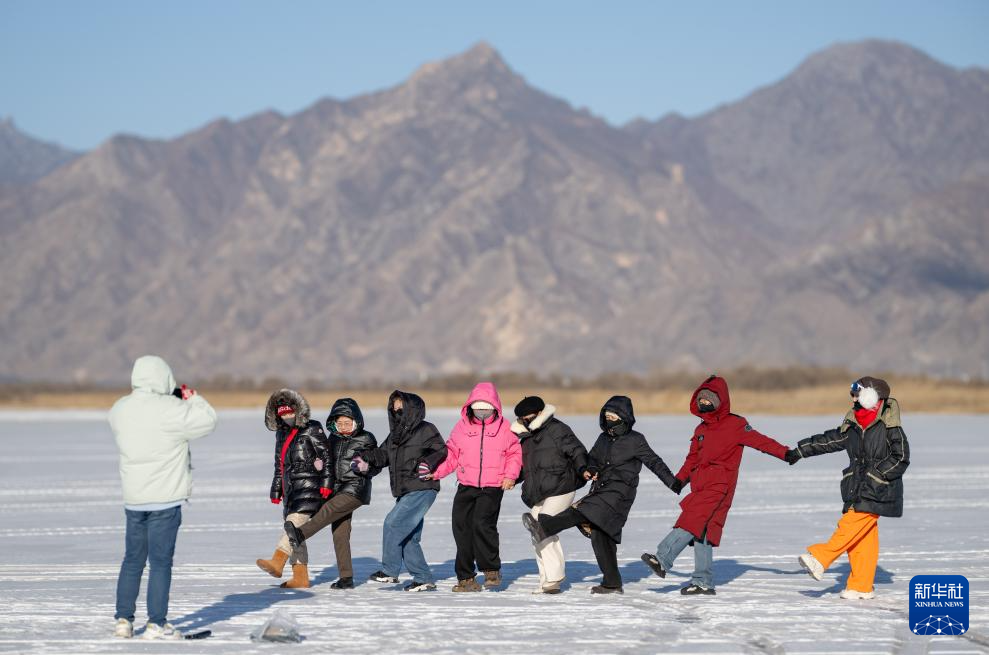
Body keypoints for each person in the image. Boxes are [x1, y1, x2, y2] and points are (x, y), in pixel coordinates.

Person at [641, 375, 792, 596]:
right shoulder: (700, 430)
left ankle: (663, 559)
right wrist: (680, 480)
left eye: (709, 399)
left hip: (720, 484)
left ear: (721, 401)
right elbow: (692, 459)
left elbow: (762, 442)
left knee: (691, 520)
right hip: (699, 486)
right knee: (703, 532)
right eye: (701, 399)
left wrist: (785, 453)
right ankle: (703, 582)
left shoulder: (736, 424)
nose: (704, 402)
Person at [109, 355, 218, 640]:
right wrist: (192, 398)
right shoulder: (172, 410)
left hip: (134, 499)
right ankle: (156, 623)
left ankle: (123, 621)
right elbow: (208, 421)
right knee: (160, 563)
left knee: (132, 560)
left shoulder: (120, 409)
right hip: (165, 500)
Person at [522, 395, 678, 594]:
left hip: (620, 492)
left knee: (583, 511)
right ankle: (612, 583)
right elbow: (592, 459)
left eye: (613, 417)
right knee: (601, 537)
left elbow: (655, 462)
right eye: (607, 416)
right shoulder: (603, 438)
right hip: (601, 488)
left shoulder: (635, 440)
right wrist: (589, 470)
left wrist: (672, 482)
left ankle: (544, 527)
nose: (609, 420)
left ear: (624, 417)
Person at [792, 376, 909, 600]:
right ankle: (861, 586)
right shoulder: (854, 424)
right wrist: (799, 451)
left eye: (857, 394)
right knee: (863, 537)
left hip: (879, 487)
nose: (853, 398)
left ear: (871, 396)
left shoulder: (890, 426)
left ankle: (821, 557)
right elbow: (829, 440)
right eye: (852, 394)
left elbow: (901, 457)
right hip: (856, 485)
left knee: (850, 523)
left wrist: (876, 476)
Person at [425, 382, 522, 592]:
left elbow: (515, 453)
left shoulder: (505, 428)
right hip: (466, 485)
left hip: (493, 486)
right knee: (461, 528)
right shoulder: (461, 427)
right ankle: (466, 578)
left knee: (482, 523)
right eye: (478, 408)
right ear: (470, 407)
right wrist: (437, 472)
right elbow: (451, 455)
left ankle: (491, 569)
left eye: (487, 408)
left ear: (495, 407)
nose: (482, 412)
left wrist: (510, 476)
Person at [351, 390, 448, 591]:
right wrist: (365, 458)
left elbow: (440, 450)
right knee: (408, 536)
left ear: (412, 410)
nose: (397, 413)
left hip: (422, 487)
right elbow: (383, 455)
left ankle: (389, 571)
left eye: (401, 410)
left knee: (393, 523)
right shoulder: (395, 434)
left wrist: (426, 463)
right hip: (405, 490)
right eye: (394, 410)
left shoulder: (426, 429)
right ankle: (423, 578)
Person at [282, 398, 377, 589]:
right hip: (336, 489)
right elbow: (326, 460)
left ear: (356, 421)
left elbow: (377, 462)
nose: (343, 427)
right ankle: (346, 578)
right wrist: (318, 465)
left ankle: (300, 534)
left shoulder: (366, 438)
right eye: (339, 423)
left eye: (347, 423)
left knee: (328, 511)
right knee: (340, 534)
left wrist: (367, 467)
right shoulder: (332, 438)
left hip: (355, 489)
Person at [510, 395, 588, 594]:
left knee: (543, 524)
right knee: (536, 532)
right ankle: (545, 579)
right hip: (540, 492)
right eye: (522, 418)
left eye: (528, 417)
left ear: (539, 413)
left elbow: (577, 451)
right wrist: (509, 478)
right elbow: (523, 469)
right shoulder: (526, 439)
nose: (525, 420)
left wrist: (583, 468)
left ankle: (554, 578)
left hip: (562, 486)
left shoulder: (557, 430)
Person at [255, 389, 332, 590]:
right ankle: (300, 577)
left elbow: (327, 458)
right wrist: (276, 489)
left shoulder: (312, 428)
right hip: (291, 490)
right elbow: (280, 465)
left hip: (310, 487)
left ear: (298, 411)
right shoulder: (281, 434)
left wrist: (326, 484)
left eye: (290, 412)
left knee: (292, 525)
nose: (287, 416)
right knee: (296, 533)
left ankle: (277, 560)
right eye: (283, 414)